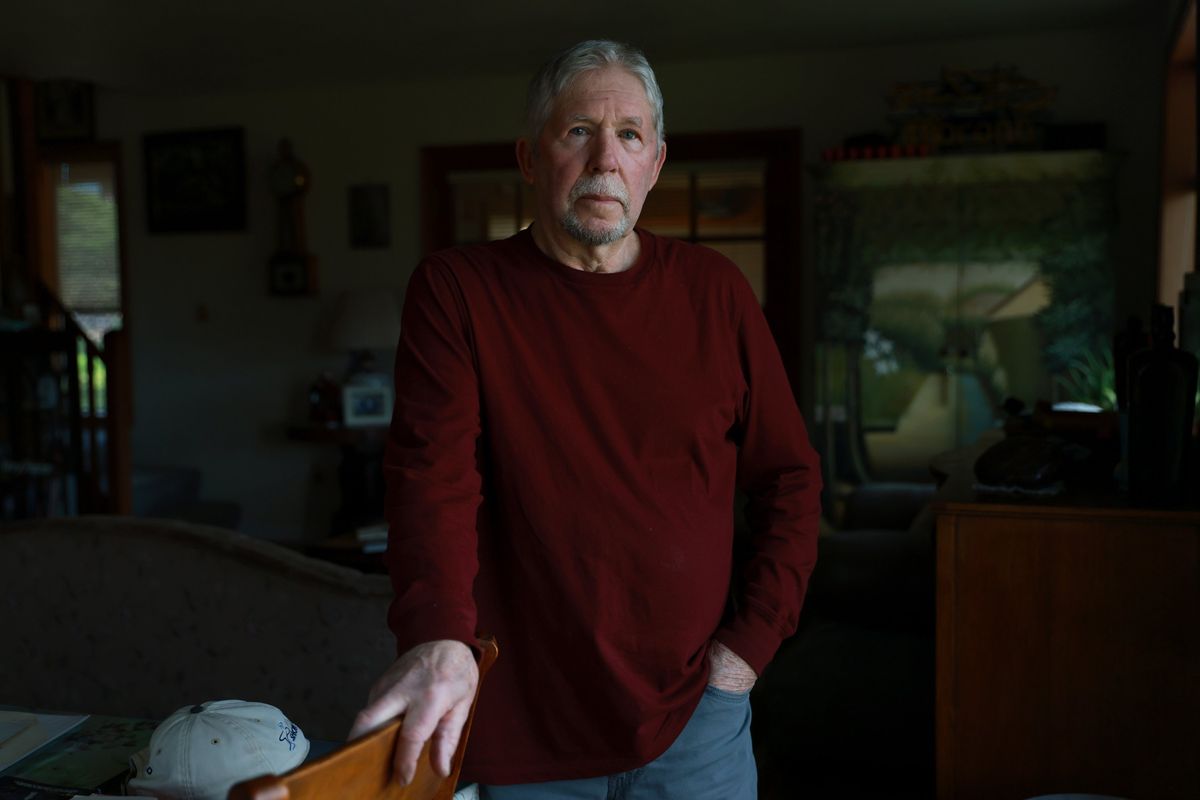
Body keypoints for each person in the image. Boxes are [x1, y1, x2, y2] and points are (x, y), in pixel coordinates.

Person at [350, 39, 821, 799]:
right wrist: (438, 635)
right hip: (528, 721)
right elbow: (432, 477)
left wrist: (750, 648)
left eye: (629, 134)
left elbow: (791, 479)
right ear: (531, 157)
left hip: (698, 715)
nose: (607, 157)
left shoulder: (715, 292)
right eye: (578, 131)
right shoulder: (459, 291)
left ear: (654, 164)